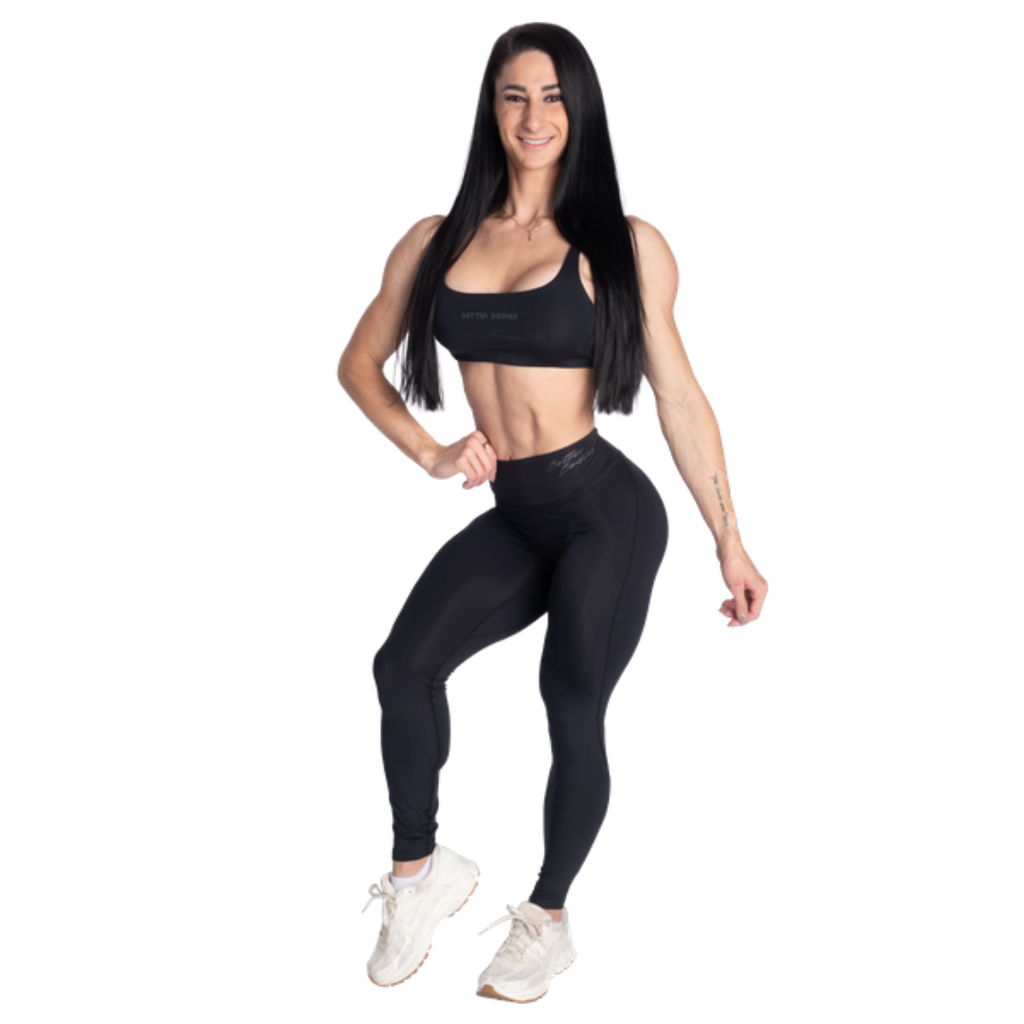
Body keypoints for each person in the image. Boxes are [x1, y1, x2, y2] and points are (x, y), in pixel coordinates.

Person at [339, 22, 768, 1003]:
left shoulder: (622, 245)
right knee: (402, 667)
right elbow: (358, 364)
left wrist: (730, 540)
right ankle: (418, 873)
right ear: (490, 109)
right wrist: (431, 450)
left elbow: (679, 397)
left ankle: (548, 919)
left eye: (553, 96)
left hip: (604, 512)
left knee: (570, 702)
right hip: (518, 514)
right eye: (514, 95)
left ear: (581, 111)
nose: (534, 116)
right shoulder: (436, 240)